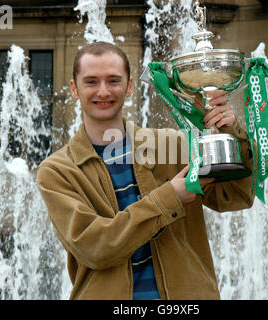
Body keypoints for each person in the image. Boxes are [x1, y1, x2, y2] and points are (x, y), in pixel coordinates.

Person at [37, 41, 255, 300]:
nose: (103, 91)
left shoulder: (173, 145)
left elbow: (235, 197)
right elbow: (94, 247)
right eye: (91, 82)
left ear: (129, 86)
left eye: (114, 81)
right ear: (75, 89)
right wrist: (170, 198)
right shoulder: (57, 171)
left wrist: (230, 133)